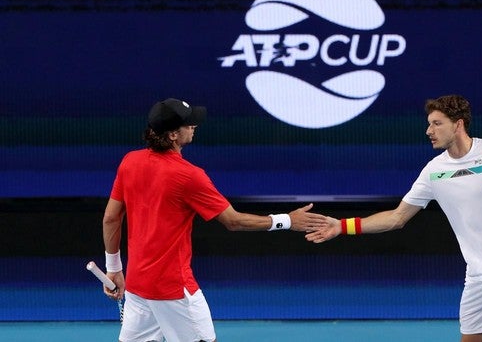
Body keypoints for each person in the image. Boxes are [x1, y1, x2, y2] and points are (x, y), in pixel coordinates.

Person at [306, 94, 482, 342]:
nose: (428, 130)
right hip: (478, 274)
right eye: (429, 123)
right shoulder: (434, 171)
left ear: (458, 124)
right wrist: (341, 226)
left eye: (436, 123)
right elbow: (397, 217)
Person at [102, 98, 327, 342]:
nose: (194, 127)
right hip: (174, 289)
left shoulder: (130, 162)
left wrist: (113, 268)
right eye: (188, 124)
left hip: (138, 286)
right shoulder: (189, 176)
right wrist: (288, 220)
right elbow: (233, 221)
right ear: (172, 135)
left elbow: (111, 218)